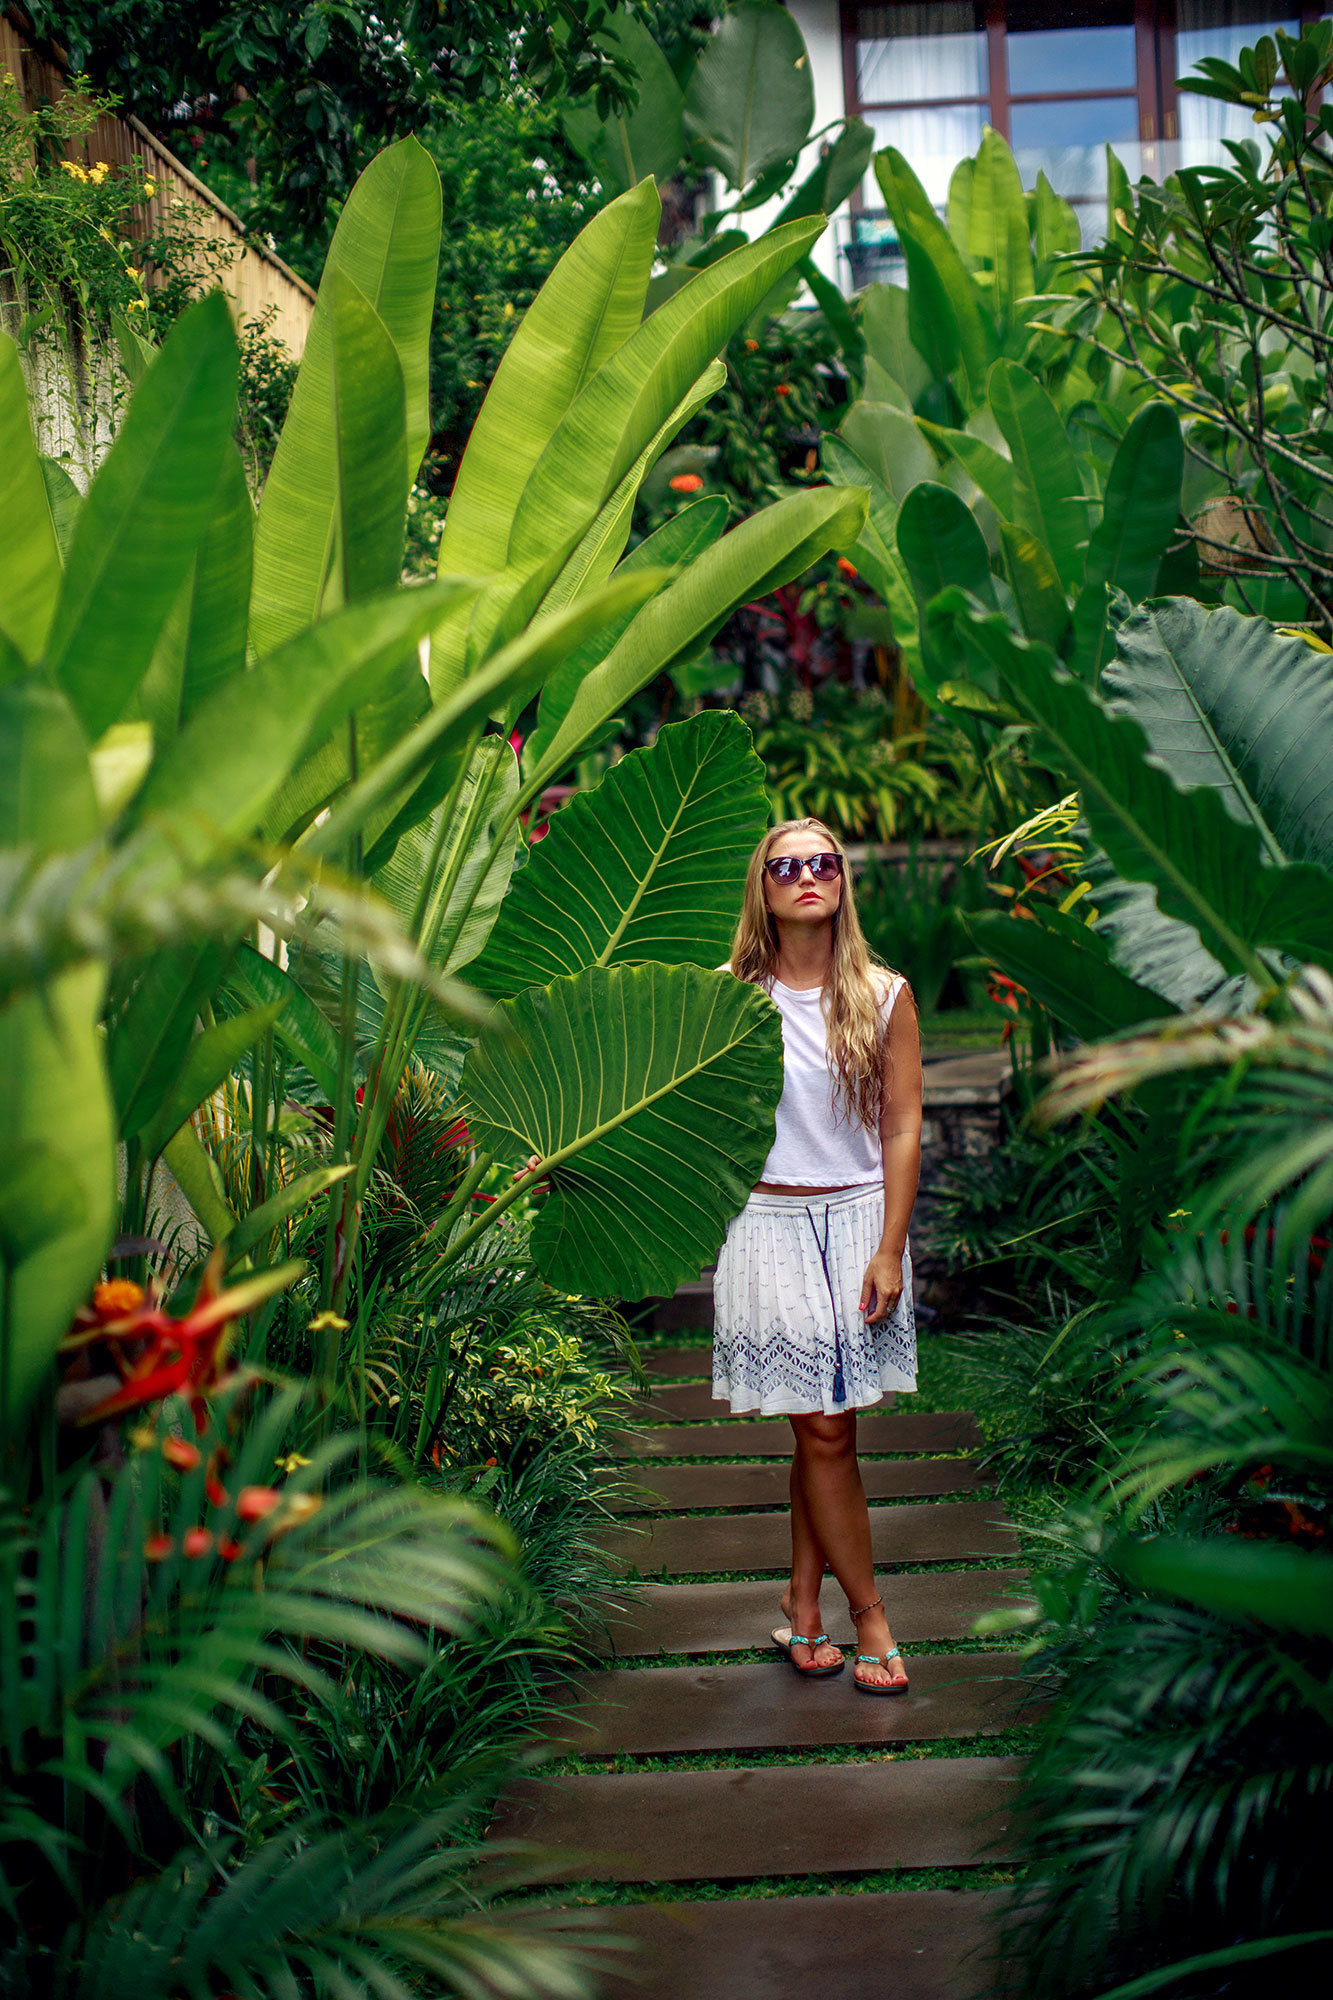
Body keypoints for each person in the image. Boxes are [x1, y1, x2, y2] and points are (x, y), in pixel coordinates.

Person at [714, 817, 922, 1694]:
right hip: (766, 1226)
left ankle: (804, 1607)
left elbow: (903, 1124)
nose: (808, 875)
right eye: (786, 865)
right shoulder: (726, 995)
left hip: (857, 1224)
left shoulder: (882, 994)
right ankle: (870, 1616)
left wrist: (889, 1248)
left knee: (823, 1423)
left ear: (842, 881)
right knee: (825, 1425)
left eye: (824, 862)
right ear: (761, 888)